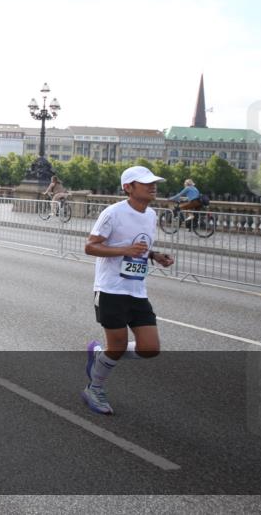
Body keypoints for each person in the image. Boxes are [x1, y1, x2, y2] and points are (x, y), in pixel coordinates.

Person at [82, 165, 175, 415]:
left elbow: (139, 246)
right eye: (146, 183)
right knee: (118, 345)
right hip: (110, 289)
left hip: (137, 289)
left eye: (154, 182)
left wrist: (155, 255)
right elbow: (90, 247)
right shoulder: (113, 213)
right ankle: (94, 388)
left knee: (150, 348)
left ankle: (100, 356)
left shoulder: (151, 214)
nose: (153, 186)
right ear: (128, 187)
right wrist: (124, 250)